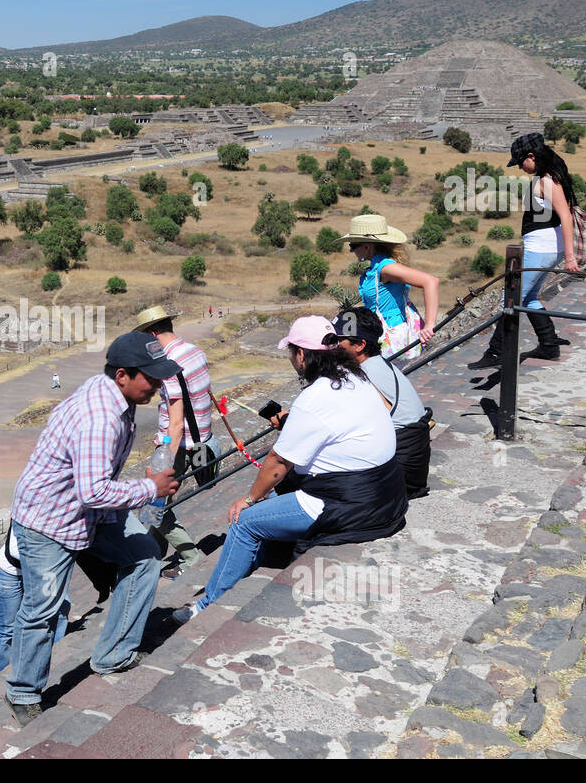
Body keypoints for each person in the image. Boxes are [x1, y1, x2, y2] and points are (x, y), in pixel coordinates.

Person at [173, 317, 408, 622]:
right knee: (271, 509)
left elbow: (278, 464)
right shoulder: (356, 377)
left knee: (244, 521)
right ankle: (246, 570)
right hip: (388, 494)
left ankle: (207, 606)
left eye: (292, 352)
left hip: (350, 505)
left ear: (301, 356)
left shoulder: (313, 397)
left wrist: (247, 499)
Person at [4, 332, 181, 726]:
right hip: (50, 520)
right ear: (122, 375)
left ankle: (115, 653)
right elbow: (94, 490)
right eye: (150, 378)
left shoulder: (115, 396)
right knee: (43, 608)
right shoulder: (100, 417)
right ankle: (23, 692)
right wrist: (150, 487)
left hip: (89, 513)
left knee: (145, 558)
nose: (156, 385)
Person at [469, 132, 580, 368]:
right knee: (528, 297)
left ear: (532, 156)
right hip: (545, 247)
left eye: (521, 162)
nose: (520, 167)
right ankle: (548, 344)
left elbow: (566, 218)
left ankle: (496, 353)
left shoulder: (547, 182)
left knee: (510, 299)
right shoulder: (547, 177)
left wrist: (570, 258)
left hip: (541, 249)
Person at [133, 305, 221, 580]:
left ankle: (190, 556)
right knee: (160, 506)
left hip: (179, 446)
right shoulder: (194, 350)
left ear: (153, 333)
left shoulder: (167, 365)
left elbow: (175, 423)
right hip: (202, 439)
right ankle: (152, 553)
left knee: (154, 504)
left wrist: (164, 459)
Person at [330, 307, 433, 500]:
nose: (332, 346)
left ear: (359, 345)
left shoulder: (362, 376)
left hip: (398, 476)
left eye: (337, 340)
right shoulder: (379, 364)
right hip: (411, 467)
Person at [341, 213, 440, 360]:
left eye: (353, 246)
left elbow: (431, 281)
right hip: (382, 331)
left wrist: (430, 325)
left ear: (367, 246)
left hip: (393, 335)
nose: (351, 250)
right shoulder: (376, 268)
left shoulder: (385, 268)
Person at [0, 523, 70, 681]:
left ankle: (53, 655)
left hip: (37, 572)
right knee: (7, 629)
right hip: (8, 574)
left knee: (62, 608)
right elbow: (18, 554)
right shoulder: (32, 518)